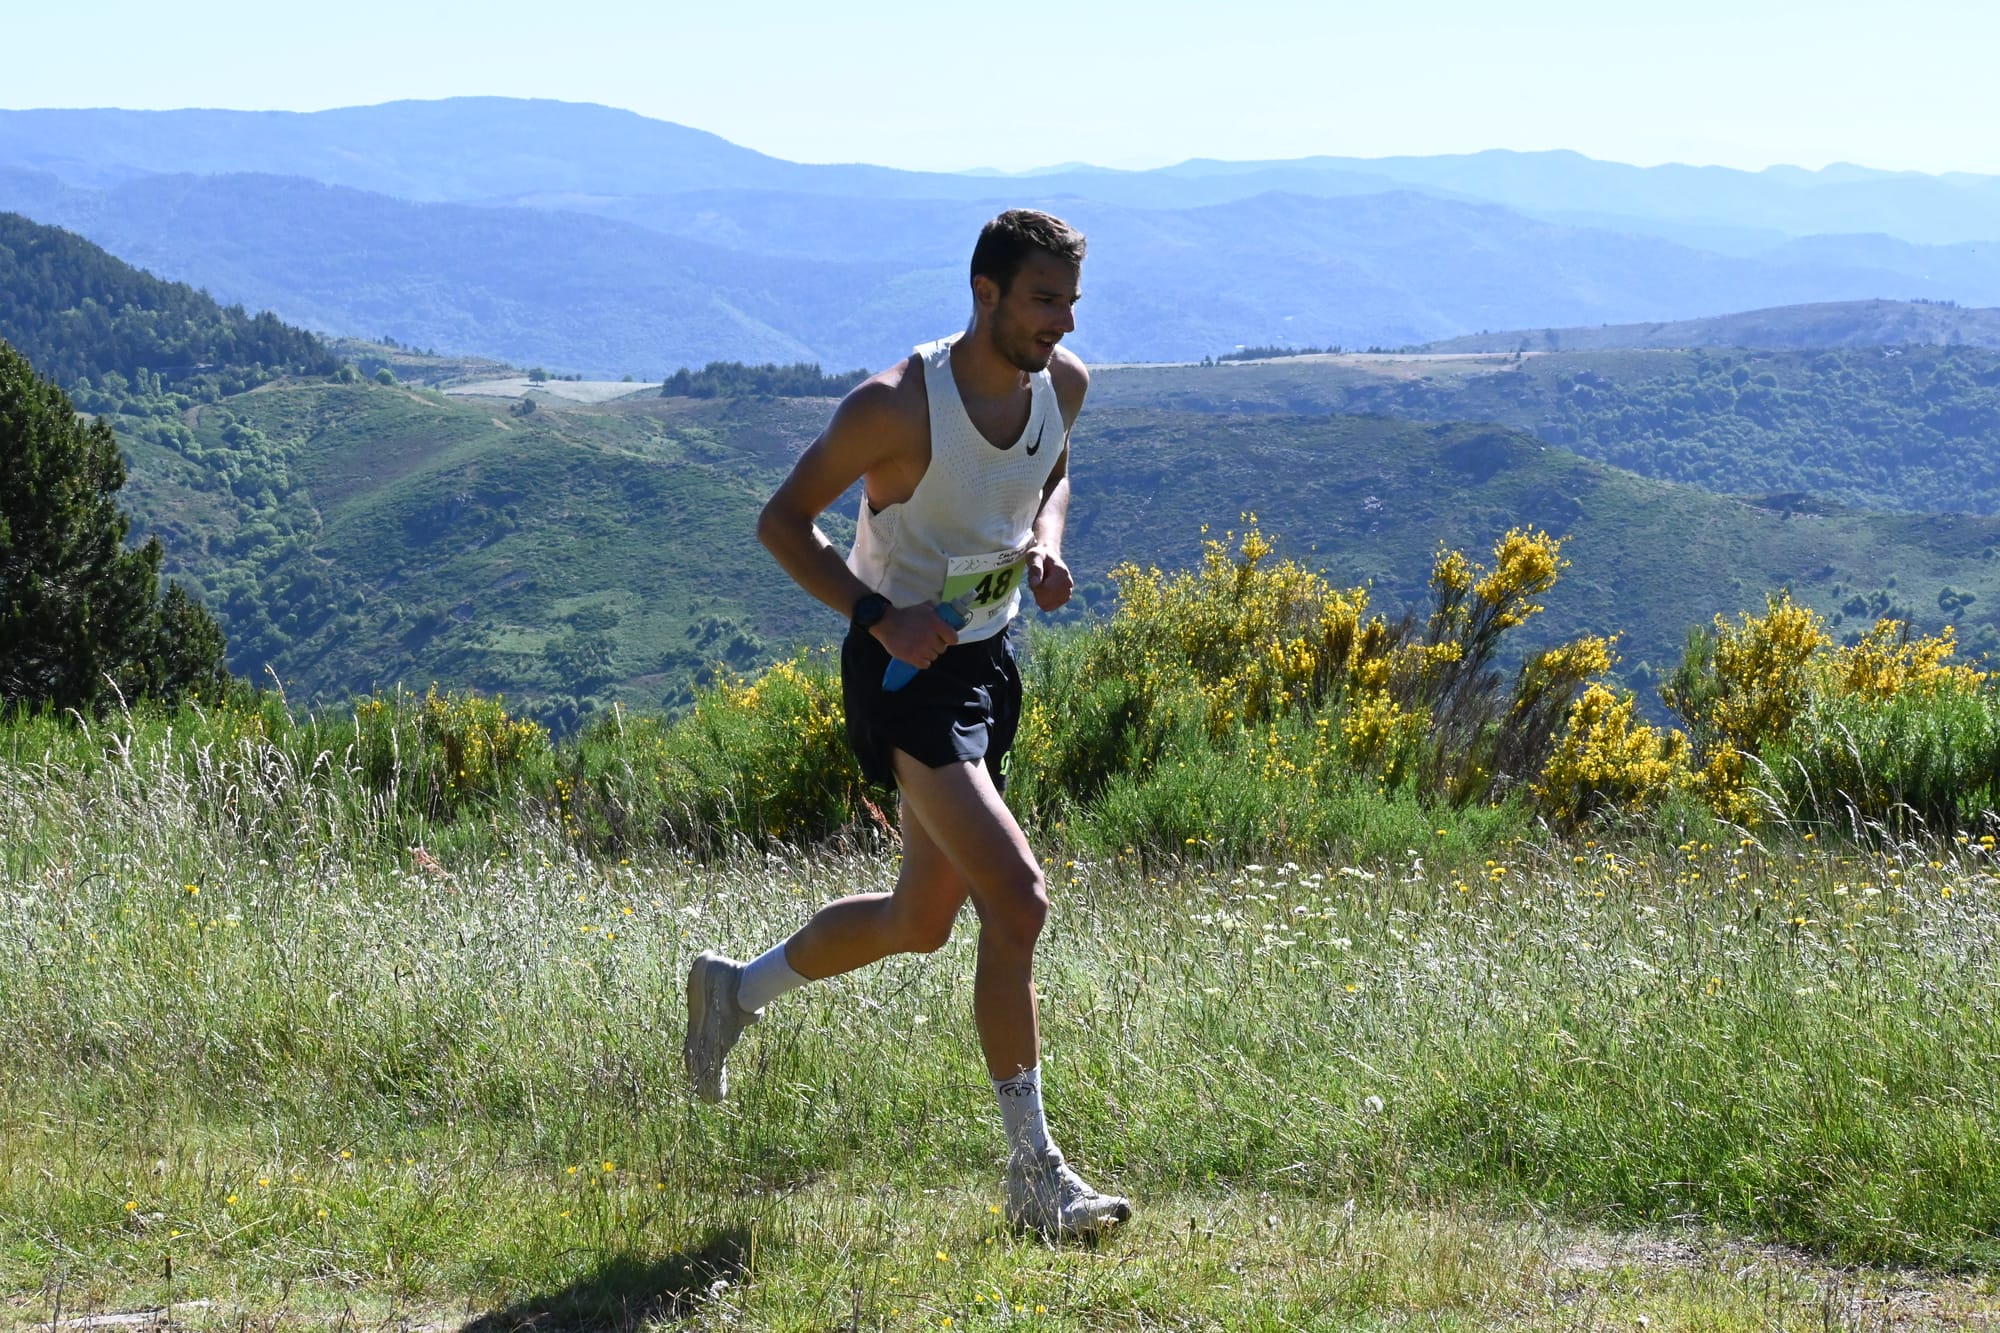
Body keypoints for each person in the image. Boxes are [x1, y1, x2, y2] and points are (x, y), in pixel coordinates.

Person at [682, 208, 1131, 1239]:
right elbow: (779, 523)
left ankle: (731, 993)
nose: (1059, 324)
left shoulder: (1061, 387)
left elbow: (1051, 472)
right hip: (901, 677)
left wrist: (1044, 543)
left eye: (1068, 301)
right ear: (984, 294)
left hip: (983, 665)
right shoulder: (895, 408)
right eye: (1041, 301)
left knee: (919, 921)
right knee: (1016, 901)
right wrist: (880, 615)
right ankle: (1035, 1177)